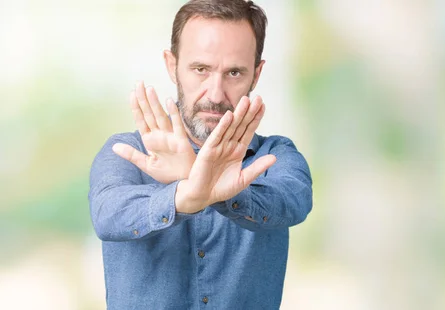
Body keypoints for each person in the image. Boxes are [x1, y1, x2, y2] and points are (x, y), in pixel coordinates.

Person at [88, 0, 313, 309]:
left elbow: (293, 203)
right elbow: (107, 215)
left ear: (256, 75)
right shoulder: (127, 152)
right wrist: (185, 196)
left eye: (234, 72)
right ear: (172, 65)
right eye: (201, 69)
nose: (215, 94)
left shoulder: (276, 155)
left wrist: (223, 192)